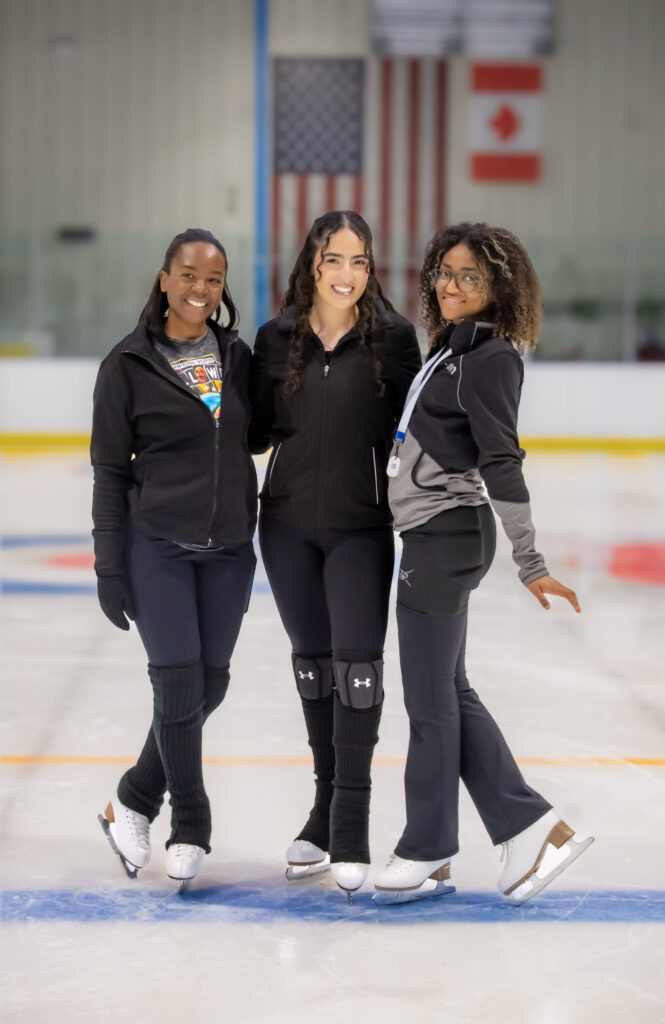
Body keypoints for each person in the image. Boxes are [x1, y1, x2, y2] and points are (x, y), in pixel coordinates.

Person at [373, 222, 594, 905]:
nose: (451, 285)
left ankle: (428, 846)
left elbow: (501, 459)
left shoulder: (490, 357)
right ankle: (531, 829)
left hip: (445, 537)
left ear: (498, 286)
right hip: (436, 535)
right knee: (448, 691)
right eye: (444, 272)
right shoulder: (452, 349)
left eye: (469, 276)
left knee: (430, 700)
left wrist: (530, 561)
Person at [249, 211, 421, 895]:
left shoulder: (394, 339)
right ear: (311, 265)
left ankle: (351, 820)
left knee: (357, 672)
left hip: (360, 529)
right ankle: (323, 809)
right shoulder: (276, 337)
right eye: (333, 260)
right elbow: (251, 433)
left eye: (359, 261)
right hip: (285, 528)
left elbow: (419, 432)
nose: (346, 275)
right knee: (313, 669)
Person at [91, 228, 257, 890]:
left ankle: (132, 796)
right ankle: (189, 821)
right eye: (188, 274)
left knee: (210, 684)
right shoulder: (127, 365)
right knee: (180, 685)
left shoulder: (238, 358)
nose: (200, 288)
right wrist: (109, 566)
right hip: (155, 546)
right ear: (165, 279)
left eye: (213, 279)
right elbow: (109, 473)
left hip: (228, 550)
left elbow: (262, 432)